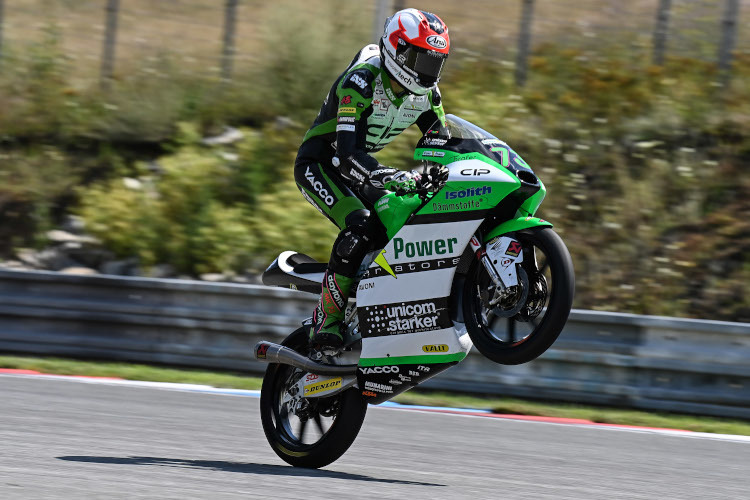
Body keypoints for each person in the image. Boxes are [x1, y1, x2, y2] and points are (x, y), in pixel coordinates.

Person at [294, 8, 450, 349]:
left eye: (436, 63)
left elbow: (444, 145)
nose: (429, 72)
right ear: (398, 51)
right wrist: (390, 175)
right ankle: (326, 321)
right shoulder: (361, 82)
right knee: (362, 225)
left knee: (405, 212)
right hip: (321, 163)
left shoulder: (428, 95)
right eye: (423, 60)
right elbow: (348, 154)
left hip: (359, 165)